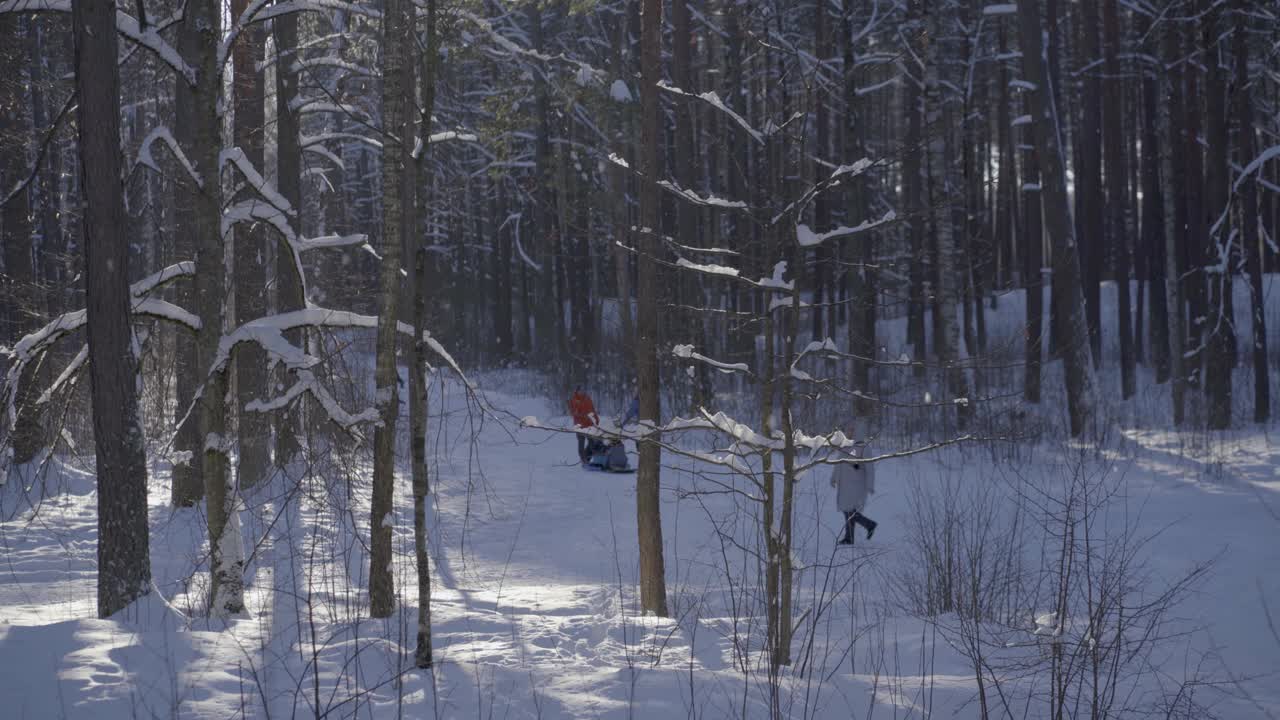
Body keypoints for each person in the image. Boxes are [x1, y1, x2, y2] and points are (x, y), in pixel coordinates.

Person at [830, 454, 877, 544]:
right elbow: (838, 463)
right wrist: (833, 478)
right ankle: (850, 537)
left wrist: (870, 485)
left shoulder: (861, 446)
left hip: (856, 484)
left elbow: (870, 467)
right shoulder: (844, 446)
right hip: (844, 484)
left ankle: (868, 525)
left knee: (849, 511)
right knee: (848, 510)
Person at [569, 386, 600, 463]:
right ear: (577, 391)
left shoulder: (587, 399)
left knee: (592, 443)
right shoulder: (574, 400)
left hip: (589, 425)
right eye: (580, 391)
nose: (582, 392)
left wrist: (596, 419)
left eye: (583, 390)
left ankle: (595, 459)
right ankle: (583, 460)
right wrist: (583, 415)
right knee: (581, 444)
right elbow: (573, 413)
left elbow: (592, 410)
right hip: (579, 426)